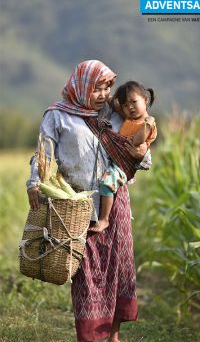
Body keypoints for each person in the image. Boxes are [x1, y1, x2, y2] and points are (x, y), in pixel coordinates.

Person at [26, 60, 151, 342]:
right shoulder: (58, 116)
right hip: (78, 208)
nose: (104, 94)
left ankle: (115, 336)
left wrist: (140, 151)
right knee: (87, 275)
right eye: (97, 88)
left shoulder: (115, 115)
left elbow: (144, 158)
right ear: (81, 86)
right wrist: (34, 181)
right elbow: (43, 152)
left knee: (117, 269)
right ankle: (90, 336)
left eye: (107, 88)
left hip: (115, 204)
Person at [90, 81, 157, 233]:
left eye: (134, 102)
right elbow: (114, 104)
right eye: (126, 105)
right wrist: (105, 95)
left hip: (122, 165)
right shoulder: (129, 117)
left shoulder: (148, 123)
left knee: (107, 183)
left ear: (145, 100)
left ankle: (104, 219)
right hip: (113, 161)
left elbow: (137, 141)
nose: (130, 107)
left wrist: (147, 123)